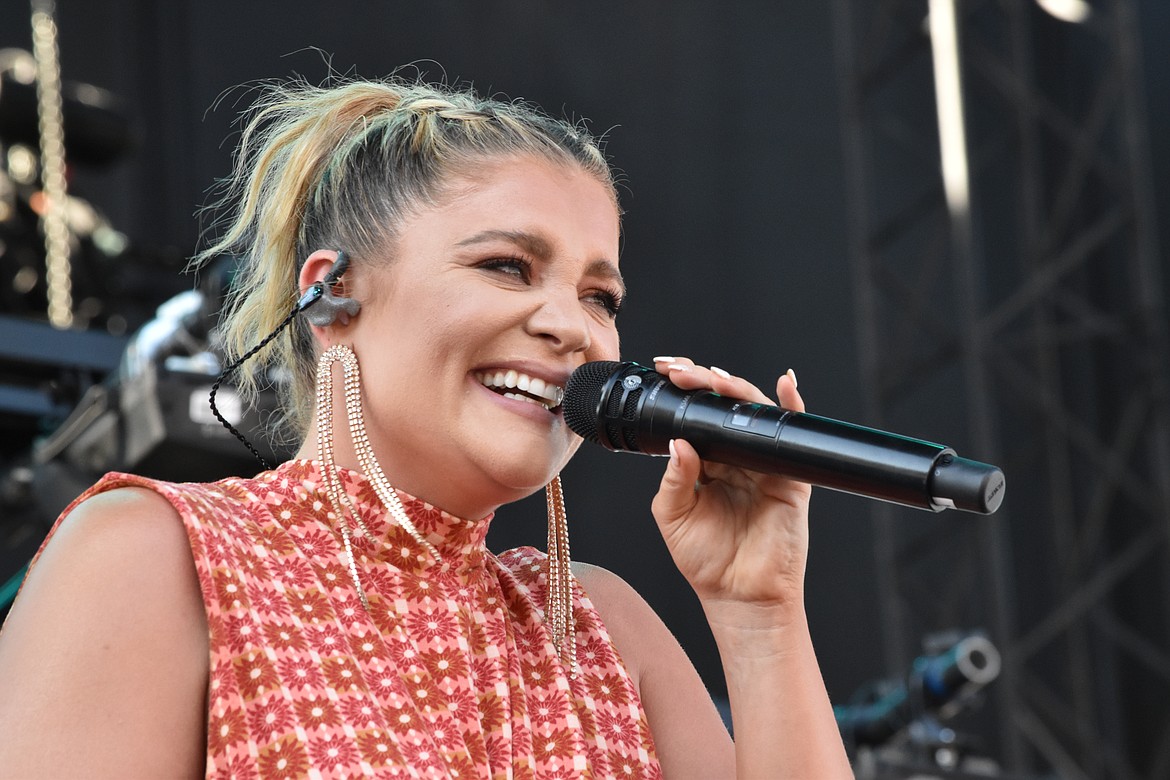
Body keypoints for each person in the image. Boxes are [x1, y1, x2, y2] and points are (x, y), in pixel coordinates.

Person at [0, 75, 852, 778]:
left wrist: (760, 614)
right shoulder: (152, 560)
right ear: (331, 293)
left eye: (601, 296)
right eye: (506, 266)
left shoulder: (602, 626)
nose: (573, 327)